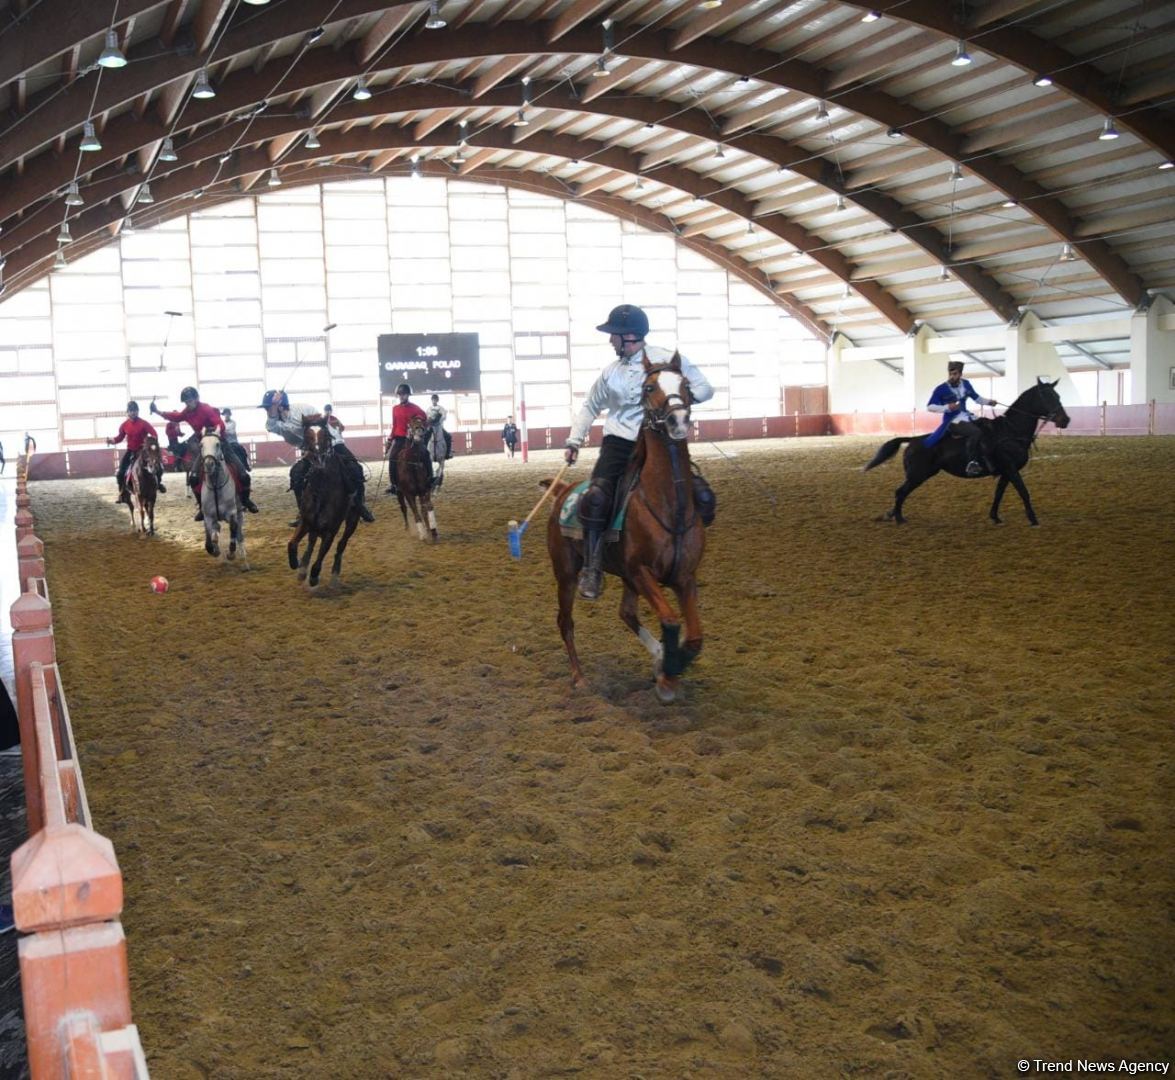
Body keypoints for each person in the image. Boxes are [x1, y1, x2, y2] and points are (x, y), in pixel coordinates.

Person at [563, 304, 717, 601]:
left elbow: (705, 389)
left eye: (613, 336)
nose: (611, 341)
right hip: (619, 444)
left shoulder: (668, 360)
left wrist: (676, 405)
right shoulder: (611, 373)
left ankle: (685, 551)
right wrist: (573, 440)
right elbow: (590, 407)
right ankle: (593, 568)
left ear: (628, 336)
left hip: (660, 443)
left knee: (704, 496)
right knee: (596, 497)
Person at [260, 390, 374, 524]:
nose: (267, 410)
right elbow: (270, 425)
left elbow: (321, 428)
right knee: (296, 474)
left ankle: (360, 505)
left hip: (331, 442)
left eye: (268, 407)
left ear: (280, 406)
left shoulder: (304, 408)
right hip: (310, 449)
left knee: (355, 469)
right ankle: (303, 513)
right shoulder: (274, 424)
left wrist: (319, 444)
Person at [152, 387, 258, 519]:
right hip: (203, 445)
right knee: (193, 477)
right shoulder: (187, 411)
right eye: (186, 402)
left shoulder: (206, 409)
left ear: (197, 399)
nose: (188, 404)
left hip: (220, 442)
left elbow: (220, 424)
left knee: (243, 473)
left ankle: (246, 500)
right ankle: (202, 507)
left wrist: (214, 430)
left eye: (190, 401)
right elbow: (177, 417)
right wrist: (158, 411)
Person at [926, 360, 998, 476]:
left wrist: (990, 402)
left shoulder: (966, 384)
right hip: (952, 420)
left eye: (954, 374)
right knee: (975, 432)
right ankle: (972, 463)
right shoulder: (941, 389)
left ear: (960, 374)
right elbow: (930, 407)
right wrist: (947, 407)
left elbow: (977, 398)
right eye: (950, 374)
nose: (952, 377)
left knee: (987, 426)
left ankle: (988, 459)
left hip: (967, 416)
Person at [106, 400, 165, 503]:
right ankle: (122, 492)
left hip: (143, 452)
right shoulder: (124, 425)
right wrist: (112, 441)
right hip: (131, 451)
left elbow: (154, 434)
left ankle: (159, 484)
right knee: (120, 472)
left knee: (159, 467)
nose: (133, 413)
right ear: (127, 412)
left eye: (135, 410)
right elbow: (120, 437)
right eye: (131, 411)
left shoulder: (144, 423)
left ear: (138, 411)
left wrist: (150, 443)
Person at [384, 383, 431, 495]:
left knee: (426, 454)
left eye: (404, 394)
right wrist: (390, 440)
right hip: (399, 438)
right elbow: (394, 425)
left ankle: (430, 478)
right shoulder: (395, 409)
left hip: (412, 439)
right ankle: (394, 484)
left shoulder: (415, 408)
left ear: (408, 395)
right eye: (400, 394)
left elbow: (424, 419)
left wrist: (418, 421)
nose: (402, 396)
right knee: (392, 458)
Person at [428, 394, 453, 460]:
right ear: (431, 400)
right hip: (431, 427)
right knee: (424, 437)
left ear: (437, 400)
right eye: (433, 399)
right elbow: (427, 417)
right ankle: (424, 452)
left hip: (439, 427)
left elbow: (444, 417)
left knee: (448, 436)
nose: (434, 401)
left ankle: (448, 453)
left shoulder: (441, 408)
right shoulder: (429, 409)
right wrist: (429, 420)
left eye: (435, 399)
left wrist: (439, 419)